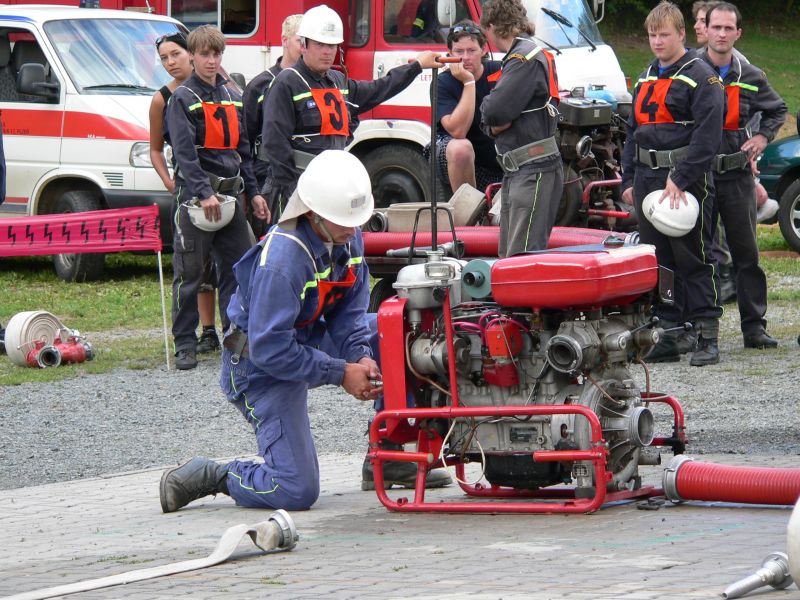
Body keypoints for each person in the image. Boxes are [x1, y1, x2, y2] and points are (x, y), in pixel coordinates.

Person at [159, 150, 449, 513]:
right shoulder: (283, 261)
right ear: (313, 213)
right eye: (344, 220)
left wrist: (360, 355)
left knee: (394, 331)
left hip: (304, 340)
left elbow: (350, 313)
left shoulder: (346, 235)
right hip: (258, 364)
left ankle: (388, 453)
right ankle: (214, 475)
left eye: (356, 219)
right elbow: (270, 348)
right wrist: (340, 372)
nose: (353, 229)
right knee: (295, 489)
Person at [261, 4, 443, 221]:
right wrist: (296, 194)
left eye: (332, 45)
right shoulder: (286, 83)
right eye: (320, 44)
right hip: (296, 187)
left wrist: (416, 67)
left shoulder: (338, 81)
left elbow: (380, 88)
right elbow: (274, 145)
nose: (327, 51)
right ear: (303, 45)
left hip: (331, 185)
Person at [620, 1, 724, 366]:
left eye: (664, 34)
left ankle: (707, 333)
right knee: (659, 258)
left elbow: (708, 137)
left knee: (693, 256)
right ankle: (669, 331)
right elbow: (632, 131)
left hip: (684, 180)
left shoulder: (702, 76)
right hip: (647, 179)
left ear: (682, 33)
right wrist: (628, 178)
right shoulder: (646, 76)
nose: (657, 41)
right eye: (652, 35)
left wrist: (680, 178)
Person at [166, 25, 269, 370]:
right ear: (193, 56)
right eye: (204, 54)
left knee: (239, 271)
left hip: (231, 198)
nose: (211, 61)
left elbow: (244, 152)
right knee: (190, 274)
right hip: (195, 201)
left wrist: (254, 193)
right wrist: (204, 193)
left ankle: (235, 340)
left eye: (216, 54)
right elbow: (184, 154)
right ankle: (185, 344)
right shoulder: (182, 99)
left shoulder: (233, 96)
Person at [700, 2, 786, 349]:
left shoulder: (750, 75)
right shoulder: (689, 70)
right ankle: (699, 329)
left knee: (747, 254)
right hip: (700, 176)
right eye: (716, 27)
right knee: (700, 254)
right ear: (705, 29)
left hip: (737, 176)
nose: (721, 34)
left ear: (738, 33)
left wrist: (763, 137)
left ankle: (754, 327)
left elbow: (777, 109)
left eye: (728, 28)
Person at [149, 32, 222, 358]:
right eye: (164, 58)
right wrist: (171, 183)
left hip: (224, 188)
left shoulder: (220, 88)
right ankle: (187, 342)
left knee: (226, 266)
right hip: (190, 192)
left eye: (175, 54)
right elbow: (156, 149)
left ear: (189, 53)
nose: (170, 62)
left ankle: (223, 334)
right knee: (190, 268)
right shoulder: (163, 99)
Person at [479, 0, 563, 257]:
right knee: (510, 257)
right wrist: (493, 127)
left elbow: (493, 111)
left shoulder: (522, 58)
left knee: (521, 259)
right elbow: (496, 118)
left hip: (532, 169)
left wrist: (490, 119)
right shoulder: (527, 52)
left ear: (491, 27)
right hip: (522, 169)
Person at [431, 20, 503, 195]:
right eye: (459, 51)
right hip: (455, 157)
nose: (465, 57)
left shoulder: (500, 71)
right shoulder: (442, 82)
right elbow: (458, 131)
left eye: (471, 50)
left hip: (496, 155)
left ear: (483, 50)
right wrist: (469, 82)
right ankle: (469, 209)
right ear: (450, 53)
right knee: (460, 148)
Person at [242, 14, 303, 209]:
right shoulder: (259, 85)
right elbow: (244, 140)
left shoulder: (319, 82)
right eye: (300, 41)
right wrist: (251, 189)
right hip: (268, 177)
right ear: (285, 41)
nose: (306, 47)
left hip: (308, 175)